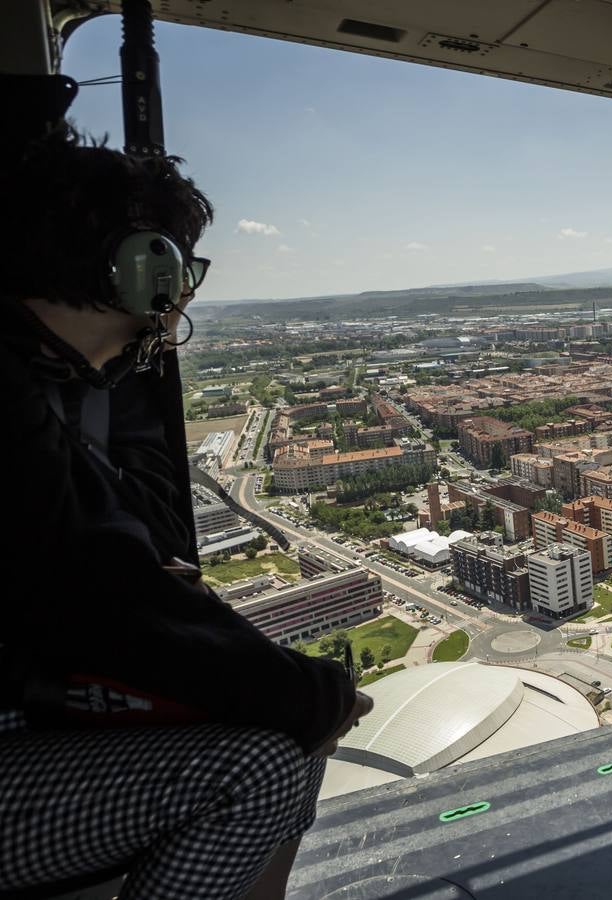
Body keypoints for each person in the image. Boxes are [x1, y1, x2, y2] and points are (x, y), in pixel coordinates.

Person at [0, 123, 373, 898]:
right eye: (180, 265)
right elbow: (100, 597)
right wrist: (320, 695)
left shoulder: (32, 383)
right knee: (261, 764)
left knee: (286, 726)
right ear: (147, 270)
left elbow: (96, 555)